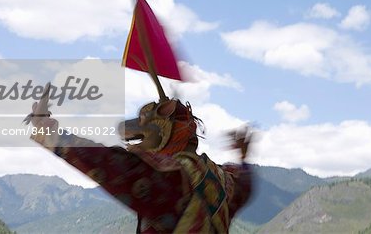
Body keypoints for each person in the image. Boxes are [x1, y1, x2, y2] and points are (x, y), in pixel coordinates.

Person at [30, 97, 253, 233]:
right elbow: (245, 183)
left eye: (147, 121)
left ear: (166, 131)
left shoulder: (171, 176)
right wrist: (243, 156)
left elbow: (107, 162)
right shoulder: (222, 180)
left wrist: (47, 130)